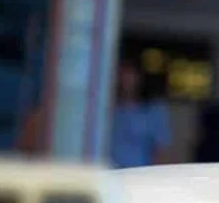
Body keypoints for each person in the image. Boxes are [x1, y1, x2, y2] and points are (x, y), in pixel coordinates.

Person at [16, 60, 173, 168]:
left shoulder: (153, 110)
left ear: (138, 78)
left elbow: (160, 151)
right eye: (121, 75)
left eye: (130, 75)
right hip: (101, 173)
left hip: (136, 178)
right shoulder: (99, 107)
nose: (125, 81)